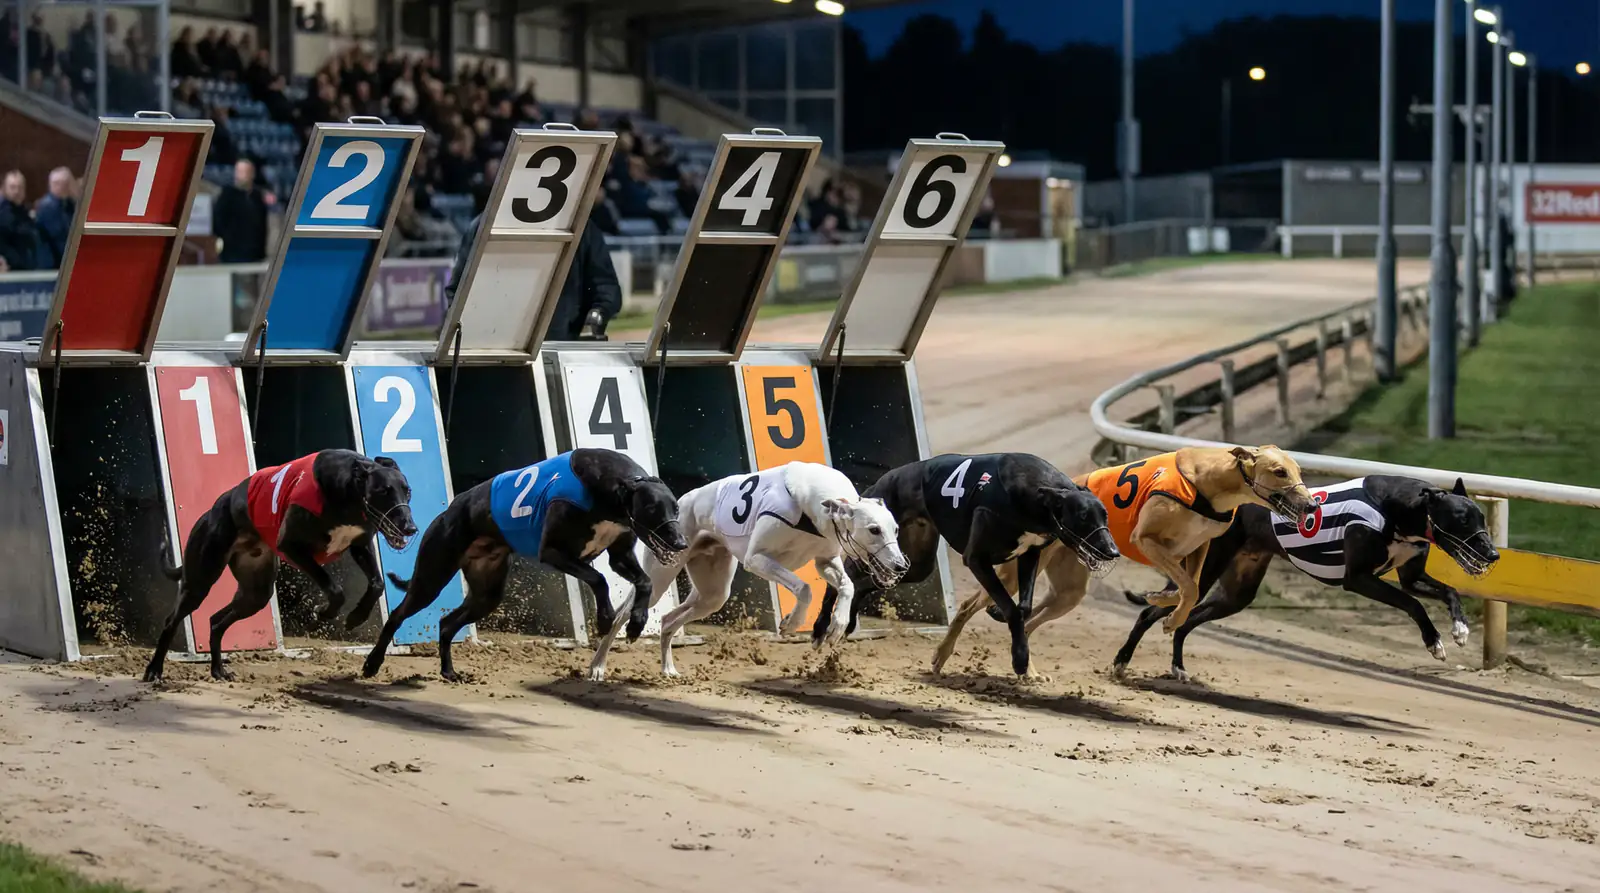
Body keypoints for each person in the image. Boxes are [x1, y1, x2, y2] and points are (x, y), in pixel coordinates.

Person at [444, 214, 621, 341]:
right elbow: (458, 293)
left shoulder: (582, 228)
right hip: (495, 353)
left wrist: (597, 314)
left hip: (556, 350)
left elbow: (606, 290)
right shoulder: (483, 225)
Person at [213, 159, 272, 263]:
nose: (242, 175)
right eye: (239, 171)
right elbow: (218, 221)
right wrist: (228, 239)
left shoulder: (257, 197)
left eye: (246, 171)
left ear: (252, 174)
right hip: (232, 254)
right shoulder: (227, 195)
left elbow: (263, 224)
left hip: (255, 253)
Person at [34, 167, 76, 269]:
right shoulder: (47, 207)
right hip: (54, 262)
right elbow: (59, 235)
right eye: (58, 183)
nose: (63, 187)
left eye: (66, 183)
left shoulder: (70, 204)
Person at [0, 170, 39, 272]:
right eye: (12, 187)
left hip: (26, 269)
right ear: (4, 188)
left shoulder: (24, 211)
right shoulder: (2, 213)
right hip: (9, 271)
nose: (16, 191)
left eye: (20, 187)